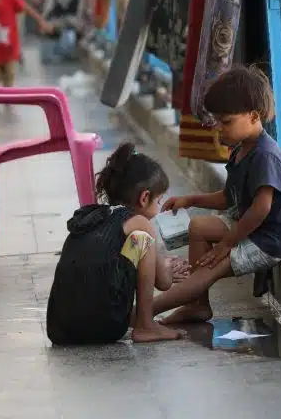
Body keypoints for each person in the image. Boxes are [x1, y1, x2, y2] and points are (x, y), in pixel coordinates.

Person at [153, 66, 281, 324]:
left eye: (227, 122)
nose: (219, 130)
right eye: (217, 122)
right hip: (250, 226)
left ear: (254, 116)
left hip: (269, 240)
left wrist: (228, 243)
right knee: (198, 226)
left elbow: (261, 209)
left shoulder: (265, 156)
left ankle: (144, 311)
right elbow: (229, 197)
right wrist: (192, 200)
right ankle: (197, 305)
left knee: (209, 268)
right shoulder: (242, 148)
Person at [45, 143, 191, 344]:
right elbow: (164, 283)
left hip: (60, 328)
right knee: (143, 241)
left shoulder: (92, 217)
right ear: (144, 197)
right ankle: (146, 326)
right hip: (105, 327)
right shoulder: (139, 224)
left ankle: (139, 320)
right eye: (158, 201)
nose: (158, 207)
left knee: (130, 250)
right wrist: (165, 267)